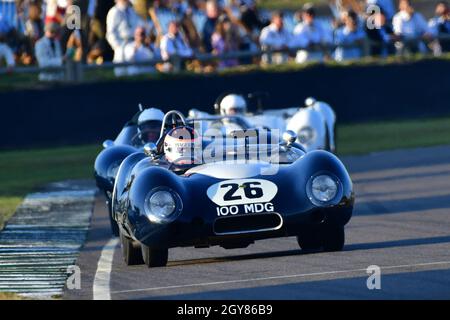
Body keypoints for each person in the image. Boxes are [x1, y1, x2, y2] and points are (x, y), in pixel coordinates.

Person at [106, 0, 143, 75]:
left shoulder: (132, 11)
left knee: (135, 71)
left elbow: (138, 26)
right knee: (121, 72)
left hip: (134, 44)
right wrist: (117, 47)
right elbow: (110, 33)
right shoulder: (114, 12)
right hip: (121, 45)